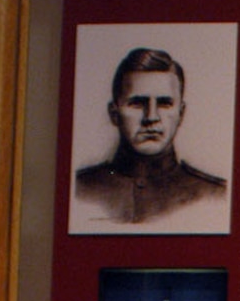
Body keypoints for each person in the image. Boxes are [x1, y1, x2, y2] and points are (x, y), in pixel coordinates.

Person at [74, 47, 227, 225]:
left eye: (164, 103)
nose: (151, 117)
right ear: (114, 114)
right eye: (137, 103)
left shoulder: (213, 194)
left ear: (181, 114)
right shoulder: (79, 189)